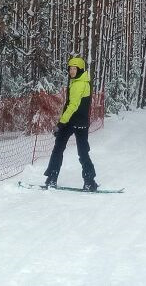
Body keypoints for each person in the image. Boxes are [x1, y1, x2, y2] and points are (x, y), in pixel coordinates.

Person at [43, 56, 98, 191]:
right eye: (70, 69)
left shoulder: (78, 83)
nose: (71, 71)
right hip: (82, 122)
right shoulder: (83, 81)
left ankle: (52, 178)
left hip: (71, 121)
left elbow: (73, 105)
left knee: (58, 150)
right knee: (83, 152)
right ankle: (89, 181)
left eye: (74, 69)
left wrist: (61, 123)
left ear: (80, 69)